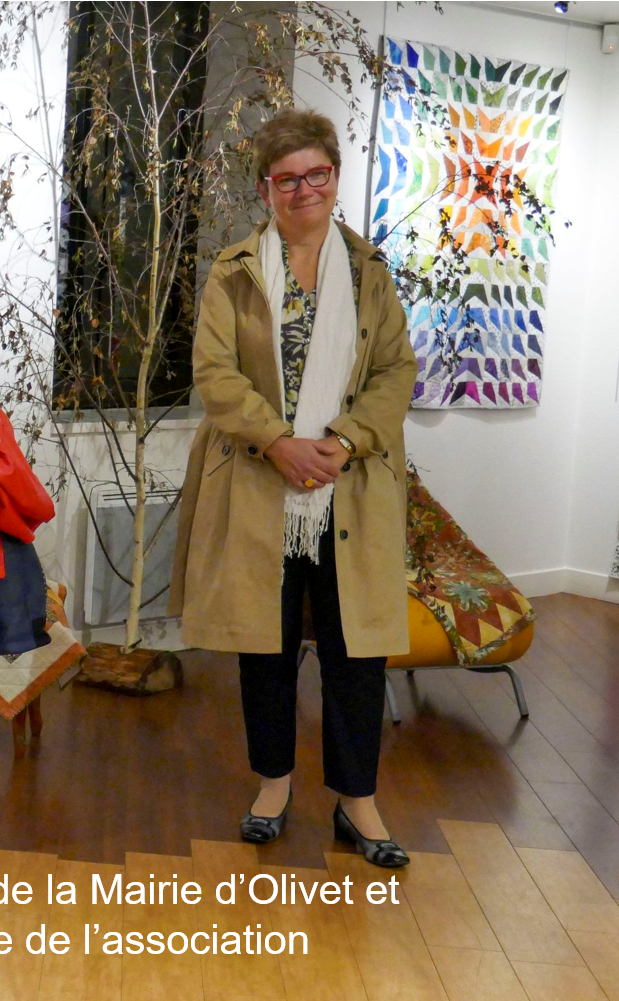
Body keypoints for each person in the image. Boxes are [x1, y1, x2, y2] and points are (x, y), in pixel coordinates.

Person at [169, 108, 419, 868]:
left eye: (317, 174)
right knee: (265, 646)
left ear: (335, 178)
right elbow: (215, 374)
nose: (305, 189)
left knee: (356, 652)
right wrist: (278, 442)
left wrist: (343, 441)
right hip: (259, 484)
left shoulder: (371, 272)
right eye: (288, 179)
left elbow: (395, 371)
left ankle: (357, 800)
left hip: (351, 486)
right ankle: (272, 785)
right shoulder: (233, 271)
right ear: (265, 189)